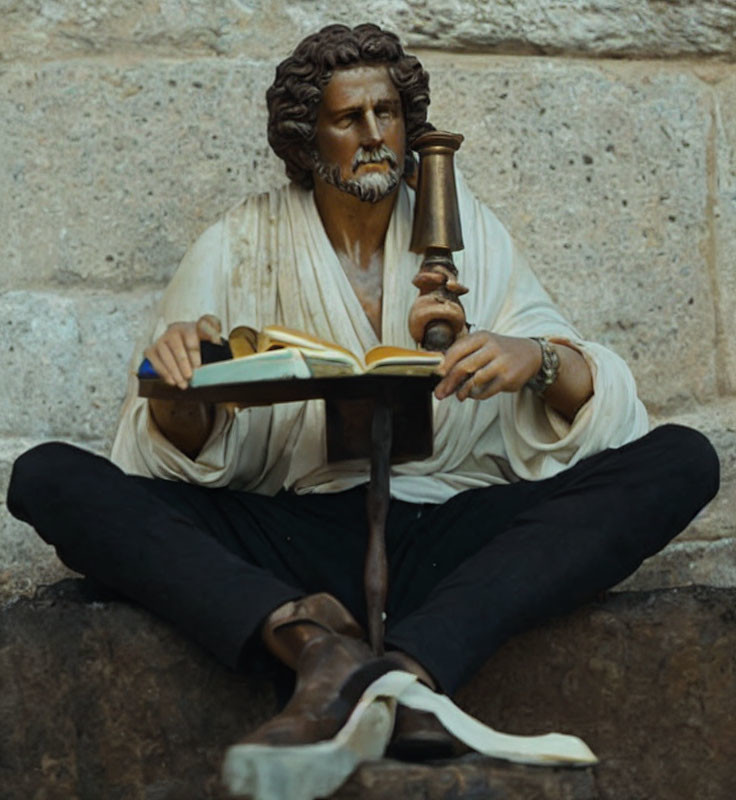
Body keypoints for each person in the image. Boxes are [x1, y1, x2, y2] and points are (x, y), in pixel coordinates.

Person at [7, 22, 719, 769]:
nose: (376, 134)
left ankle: (411, 670)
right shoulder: (239, 243)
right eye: (350, 119)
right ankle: (313, 642)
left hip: (445, 528)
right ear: (308, 139)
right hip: (296, 532)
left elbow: (594, 409)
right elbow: (166, 453)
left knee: (681, 460)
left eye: (388, 113)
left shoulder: (466, 229)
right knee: (49, 477)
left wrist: (533, 358)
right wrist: (183, 386)